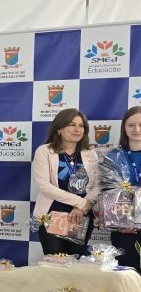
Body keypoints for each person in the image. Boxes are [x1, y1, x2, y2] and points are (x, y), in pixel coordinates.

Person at [31, 108, 100, 256]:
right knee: (55, 262)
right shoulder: (44, 151)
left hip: (81, 216)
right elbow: (44, 186)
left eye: (81, 126)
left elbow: (98, 185)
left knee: (75, 262)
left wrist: (82, 207)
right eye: (72, 125)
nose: (77, 129)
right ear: (59, 129)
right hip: (52, 215)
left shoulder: (90, 153)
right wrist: (80, 203)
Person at [98, 106, 141, 272]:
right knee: (127, 275)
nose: (136, 129)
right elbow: (106, 192)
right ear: (124, 127)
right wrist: (119, 223)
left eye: (140, 124)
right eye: (131, 125)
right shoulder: (112, 156)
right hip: (124, 229)